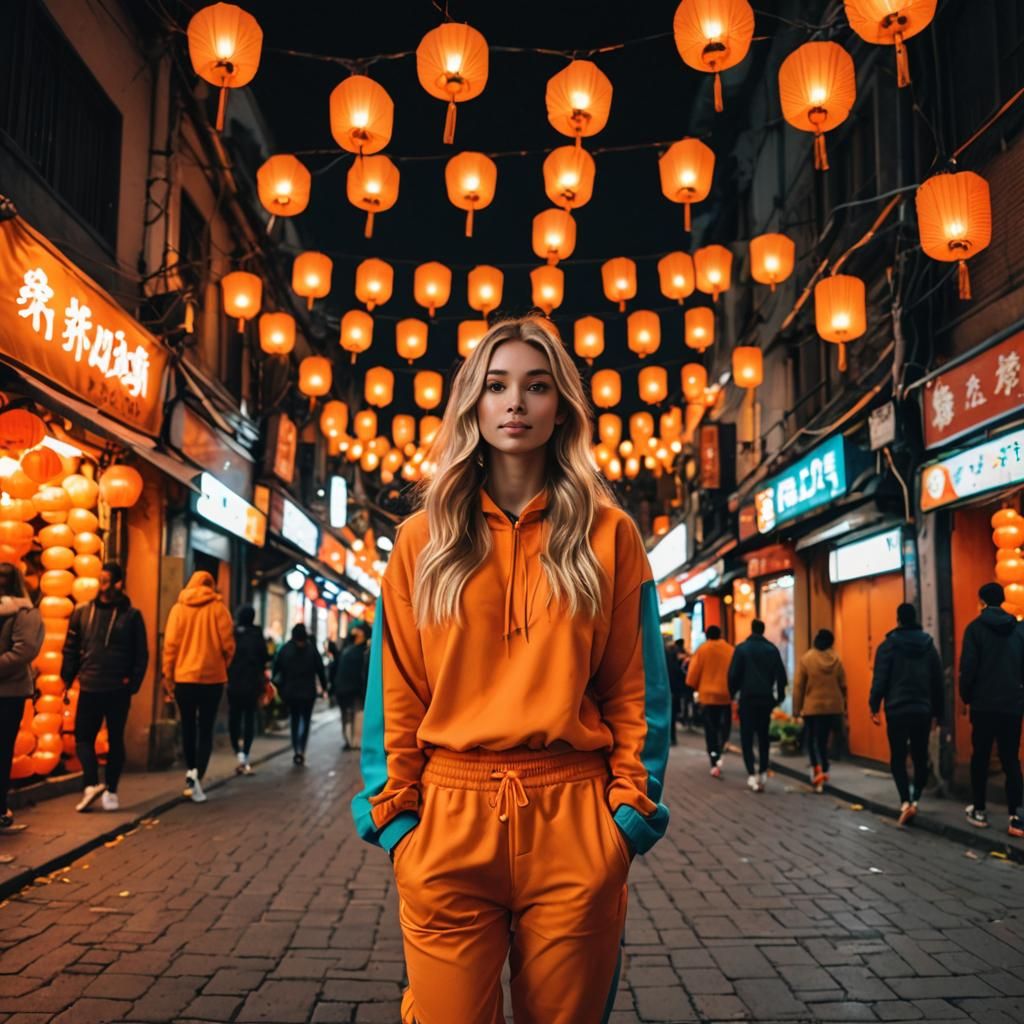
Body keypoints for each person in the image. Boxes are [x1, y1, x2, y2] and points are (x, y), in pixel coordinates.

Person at [351, 316, 670, 1024]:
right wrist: (400, 827)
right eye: (496, 386)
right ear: (472, 402)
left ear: (562, 407)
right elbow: (396, 692)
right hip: (446, 818)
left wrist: (624, 823)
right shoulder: (420, 540)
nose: (515, 403)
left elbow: (634, 690)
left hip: (575, 820)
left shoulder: (611, 535)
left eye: (536, 386)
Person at [61, 562, 148, 812]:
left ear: (119, 583)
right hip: (89, 684)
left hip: (117, 689)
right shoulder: (83, 612)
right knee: (83, 738)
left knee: (115, 739)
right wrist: (67, 678)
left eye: (107, 580)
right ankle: (91, 784)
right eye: (100, 580)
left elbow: (141, 653)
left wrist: (132, 683)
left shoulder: (131, 616)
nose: (103, 586)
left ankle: (111, 790)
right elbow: (70, 647)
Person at [162, 570, 235, 803]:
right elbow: (229, 645)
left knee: (187, 726)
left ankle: (190, 769)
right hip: (212, 680)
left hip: (184, 678)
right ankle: (198, 775)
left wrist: (168, 675)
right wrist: (222, 664)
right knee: (206, 728)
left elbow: (170, 646)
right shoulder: (218, 609)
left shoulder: (178, 609)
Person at [869, 603, 944, 826]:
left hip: (897, 709)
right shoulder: (929, 647)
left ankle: (905, 801)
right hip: (922, 709)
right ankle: (916, 799)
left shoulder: (888, 646)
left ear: (898, 619)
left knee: (898, 756)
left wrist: (874, 705)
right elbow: (938, 682)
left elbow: (880, 679)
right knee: (921, 756)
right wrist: (938, 714)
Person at [959, 583, 1024, 837]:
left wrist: (967, 697)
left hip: (983, 705)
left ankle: (980, 810)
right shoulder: (1019, 630)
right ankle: (1016, 816)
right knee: (1011, 759)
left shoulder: (975, 629)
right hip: (1012, 706)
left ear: (982, 602)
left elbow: (969, 668)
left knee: (981, 758)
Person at [0, 563, 44, 830]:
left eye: (5, 578)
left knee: (3, 749)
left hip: (9, 692)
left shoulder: (25, 613)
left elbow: (24, 650)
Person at [728, 619, 787, 793]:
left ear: (751, 630)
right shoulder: (771, 649)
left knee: (746, 737)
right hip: (765, 699)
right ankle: (762, 771)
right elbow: (781, 676)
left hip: (747, 699)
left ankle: (751, 773)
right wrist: (780, 697)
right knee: (763, 736)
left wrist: (733, 694)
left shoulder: (741, 649)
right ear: (763, 630)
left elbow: (733, 675)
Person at [794, 628, 846, 794]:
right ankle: (825, 768)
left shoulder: (807, 659)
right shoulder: (837, 659)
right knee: (824, 740)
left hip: (813, 707)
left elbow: (798, 686)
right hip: (833, 707)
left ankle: (816, 769)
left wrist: (796, 709)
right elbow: (843, 684)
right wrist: (843, 704)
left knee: (812, 740)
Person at [273, 623, 327, 765]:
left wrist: (279, 687)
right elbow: (320, 670)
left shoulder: (286, 649)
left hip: (291, 692)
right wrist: (325, 687)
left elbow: (276, 669)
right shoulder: (311, 650)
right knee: (305, 720)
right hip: (308, 692)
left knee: (295, 720)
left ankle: (297, 749)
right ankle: (301, 749)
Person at [687, 625, 734, 777]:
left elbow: (692, 674)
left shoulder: (702, 650)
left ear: (707, 635)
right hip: (725, 695)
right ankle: (721, 748)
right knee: (724, 727)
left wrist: (693, 685)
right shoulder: (729, 649)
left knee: (711, 729)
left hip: (707, 697)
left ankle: (714, 758)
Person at [227, 605, 269, 775]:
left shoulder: (233, 634)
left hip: (234, 682)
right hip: (252, 683)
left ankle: (237, 751)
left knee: (234, 718)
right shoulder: (257, 635)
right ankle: (245, 754)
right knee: (250, 719)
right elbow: (265, 657)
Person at [334, 623, 370, 751]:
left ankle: (355, 741)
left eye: (358, 630)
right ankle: (349, 740)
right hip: (343, 688)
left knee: (356, 713)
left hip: (356, 687)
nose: (355, 631)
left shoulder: (365, 650)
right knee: (347, 715)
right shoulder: (348, 648)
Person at [664, 637, 686, 746]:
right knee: (671, 714)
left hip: (665, 688)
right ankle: (672, 737)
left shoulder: (665, 654)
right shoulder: (673, 655)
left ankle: (670, 737)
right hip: (671, 688)